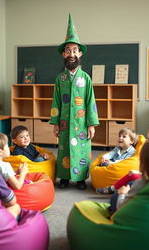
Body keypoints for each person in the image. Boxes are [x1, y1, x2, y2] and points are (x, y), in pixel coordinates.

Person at [50, 14, 99, 190]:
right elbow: (56, 102)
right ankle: (64, 177)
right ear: (64, 54)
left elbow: (90, 101)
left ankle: (80, 179)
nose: (71, 54)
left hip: (81, 122)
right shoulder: (60, 78)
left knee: (81, 150)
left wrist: (91, 124)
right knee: (63, 149)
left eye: (74, 50)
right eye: (68, 50)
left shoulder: (85, 78)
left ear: (80, 53)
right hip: (64, 121)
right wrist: (55, 123)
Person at [96, 126, 149, 194]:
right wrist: (139, 173)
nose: (146, 140)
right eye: (147, 138)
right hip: (148, 179)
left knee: (116, 197)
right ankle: (112, 189)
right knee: (131, 176)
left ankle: (115, 190)